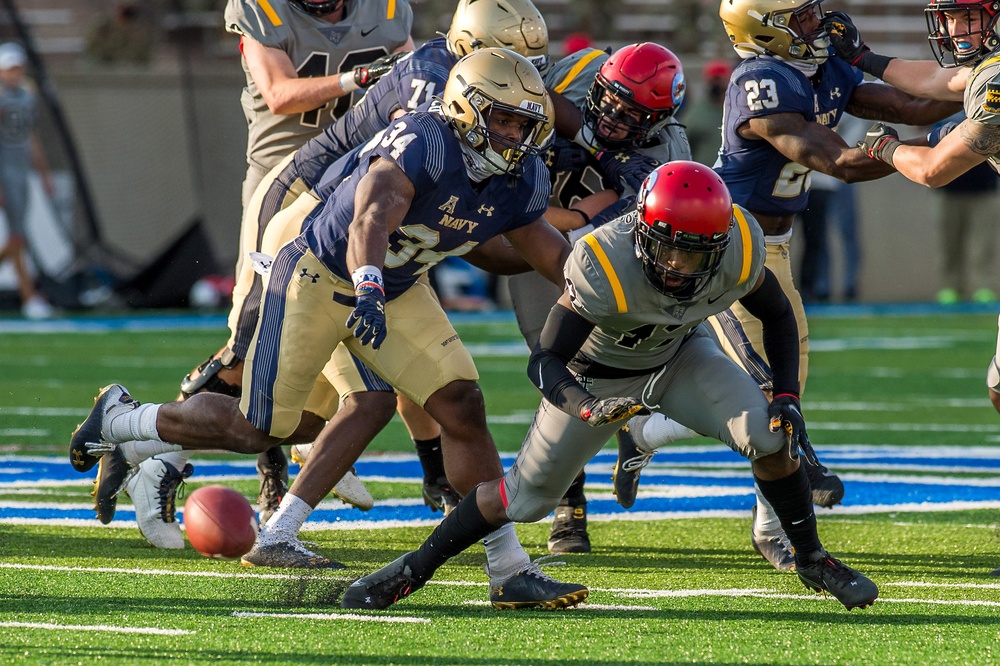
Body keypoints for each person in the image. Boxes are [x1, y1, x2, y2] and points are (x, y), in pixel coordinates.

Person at [72, 48, 590, 609]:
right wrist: (367, 279)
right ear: (466, 109)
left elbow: (547, 252)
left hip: (395, 288)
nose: (516, 135)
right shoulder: (424, 140)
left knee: (461, 402)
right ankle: (124, 419)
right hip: (320, 275)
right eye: (504, 120)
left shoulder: (522, 177)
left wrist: (605, 298)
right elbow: (373, 210)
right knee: (258, 429)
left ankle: (507, 565)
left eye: (525, 123)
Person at [340, 161, 879, 612]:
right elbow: (547, 359)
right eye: (670, 249)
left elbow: (779, 318)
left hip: (681, 357)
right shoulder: (603, 262)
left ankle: (811, 559)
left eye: (696, 253)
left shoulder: (740, 245)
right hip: (594, 377)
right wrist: (587, 406)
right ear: (642, 232)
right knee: (525, 500)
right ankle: (413, 567)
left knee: (770, 434)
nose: (679, 265)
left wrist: (785, 393)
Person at [84, 0, 416, 549]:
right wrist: (360, 79)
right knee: (251, 348)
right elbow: (281, 94)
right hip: (284, 186)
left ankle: (284, 445)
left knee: (349, 343)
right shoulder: (261, 9)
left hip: (354, 188)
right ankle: (160, 447)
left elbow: (414, 79)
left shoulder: (386, 9)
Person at [653, 0, 961, 571]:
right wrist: (932, 144)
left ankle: (646, 433)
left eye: (815, 11)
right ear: (764, 30)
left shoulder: (819, 68)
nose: (817, 24)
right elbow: (839, 160)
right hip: (727, 247)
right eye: (801, 17)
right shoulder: (760, 81)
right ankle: (783, 520)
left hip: (777, 248)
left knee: (784, 384)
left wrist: (975, 107)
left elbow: (913, 104)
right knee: (771, 386)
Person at [508, 41, 694, 553]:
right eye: (609, 100)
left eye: (633, 115)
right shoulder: (573, 75)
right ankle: (570, 504)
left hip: (611, 260)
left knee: (609, 367)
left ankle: (629, 436)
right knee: (551, 362)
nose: (613, 118)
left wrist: (584, 214)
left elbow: (611, 232)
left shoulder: (666, 152)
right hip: (531, 235)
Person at [821, 2, 1000, 189]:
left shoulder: (995, 80)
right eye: (949, 18)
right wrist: (862, 57)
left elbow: (931, 171)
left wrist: (884, 146)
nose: (955, 30)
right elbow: (933, 78)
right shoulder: (990, 67)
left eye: (969, 19)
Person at [0, 42, 55, 320]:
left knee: (17, 238)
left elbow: (31, 138)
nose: (14, 74)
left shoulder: (26, 97)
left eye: (17, 68)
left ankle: (29, 296)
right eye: (9, 69)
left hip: (19, 173)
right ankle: (28, 297)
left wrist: (44, 173)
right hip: (4, 172)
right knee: (17, 237)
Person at [933, 115, 998, 305]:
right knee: (949, 243)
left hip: (984, 188)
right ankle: (950, 287)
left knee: (983, 244)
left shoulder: (989, 98)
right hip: (949, 187)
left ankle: (983, 286)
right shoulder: (944, 101)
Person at [682, 58, 733, 167]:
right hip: (704, 175)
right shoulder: (696, 112)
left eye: (720, 79)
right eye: (714, 79)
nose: (717, 84)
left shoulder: (737, 109)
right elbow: (683, 145)